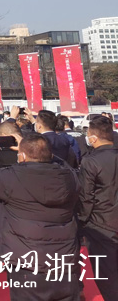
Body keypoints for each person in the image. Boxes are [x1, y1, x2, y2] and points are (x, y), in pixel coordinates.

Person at [0, 132, 80, 299]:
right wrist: (41, 152)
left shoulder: (11, 178)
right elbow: (69, 168)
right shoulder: (69, 177)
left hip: (26, 261)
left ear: (22, 156)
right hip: (64, 260)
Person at [77, 116, 118, 300]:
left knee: (106, 274)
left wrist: (82, 221)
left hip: (101, 225)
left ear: (93, 137)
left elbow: (85, 196)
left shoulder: (90, 161)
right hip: (104, 221)